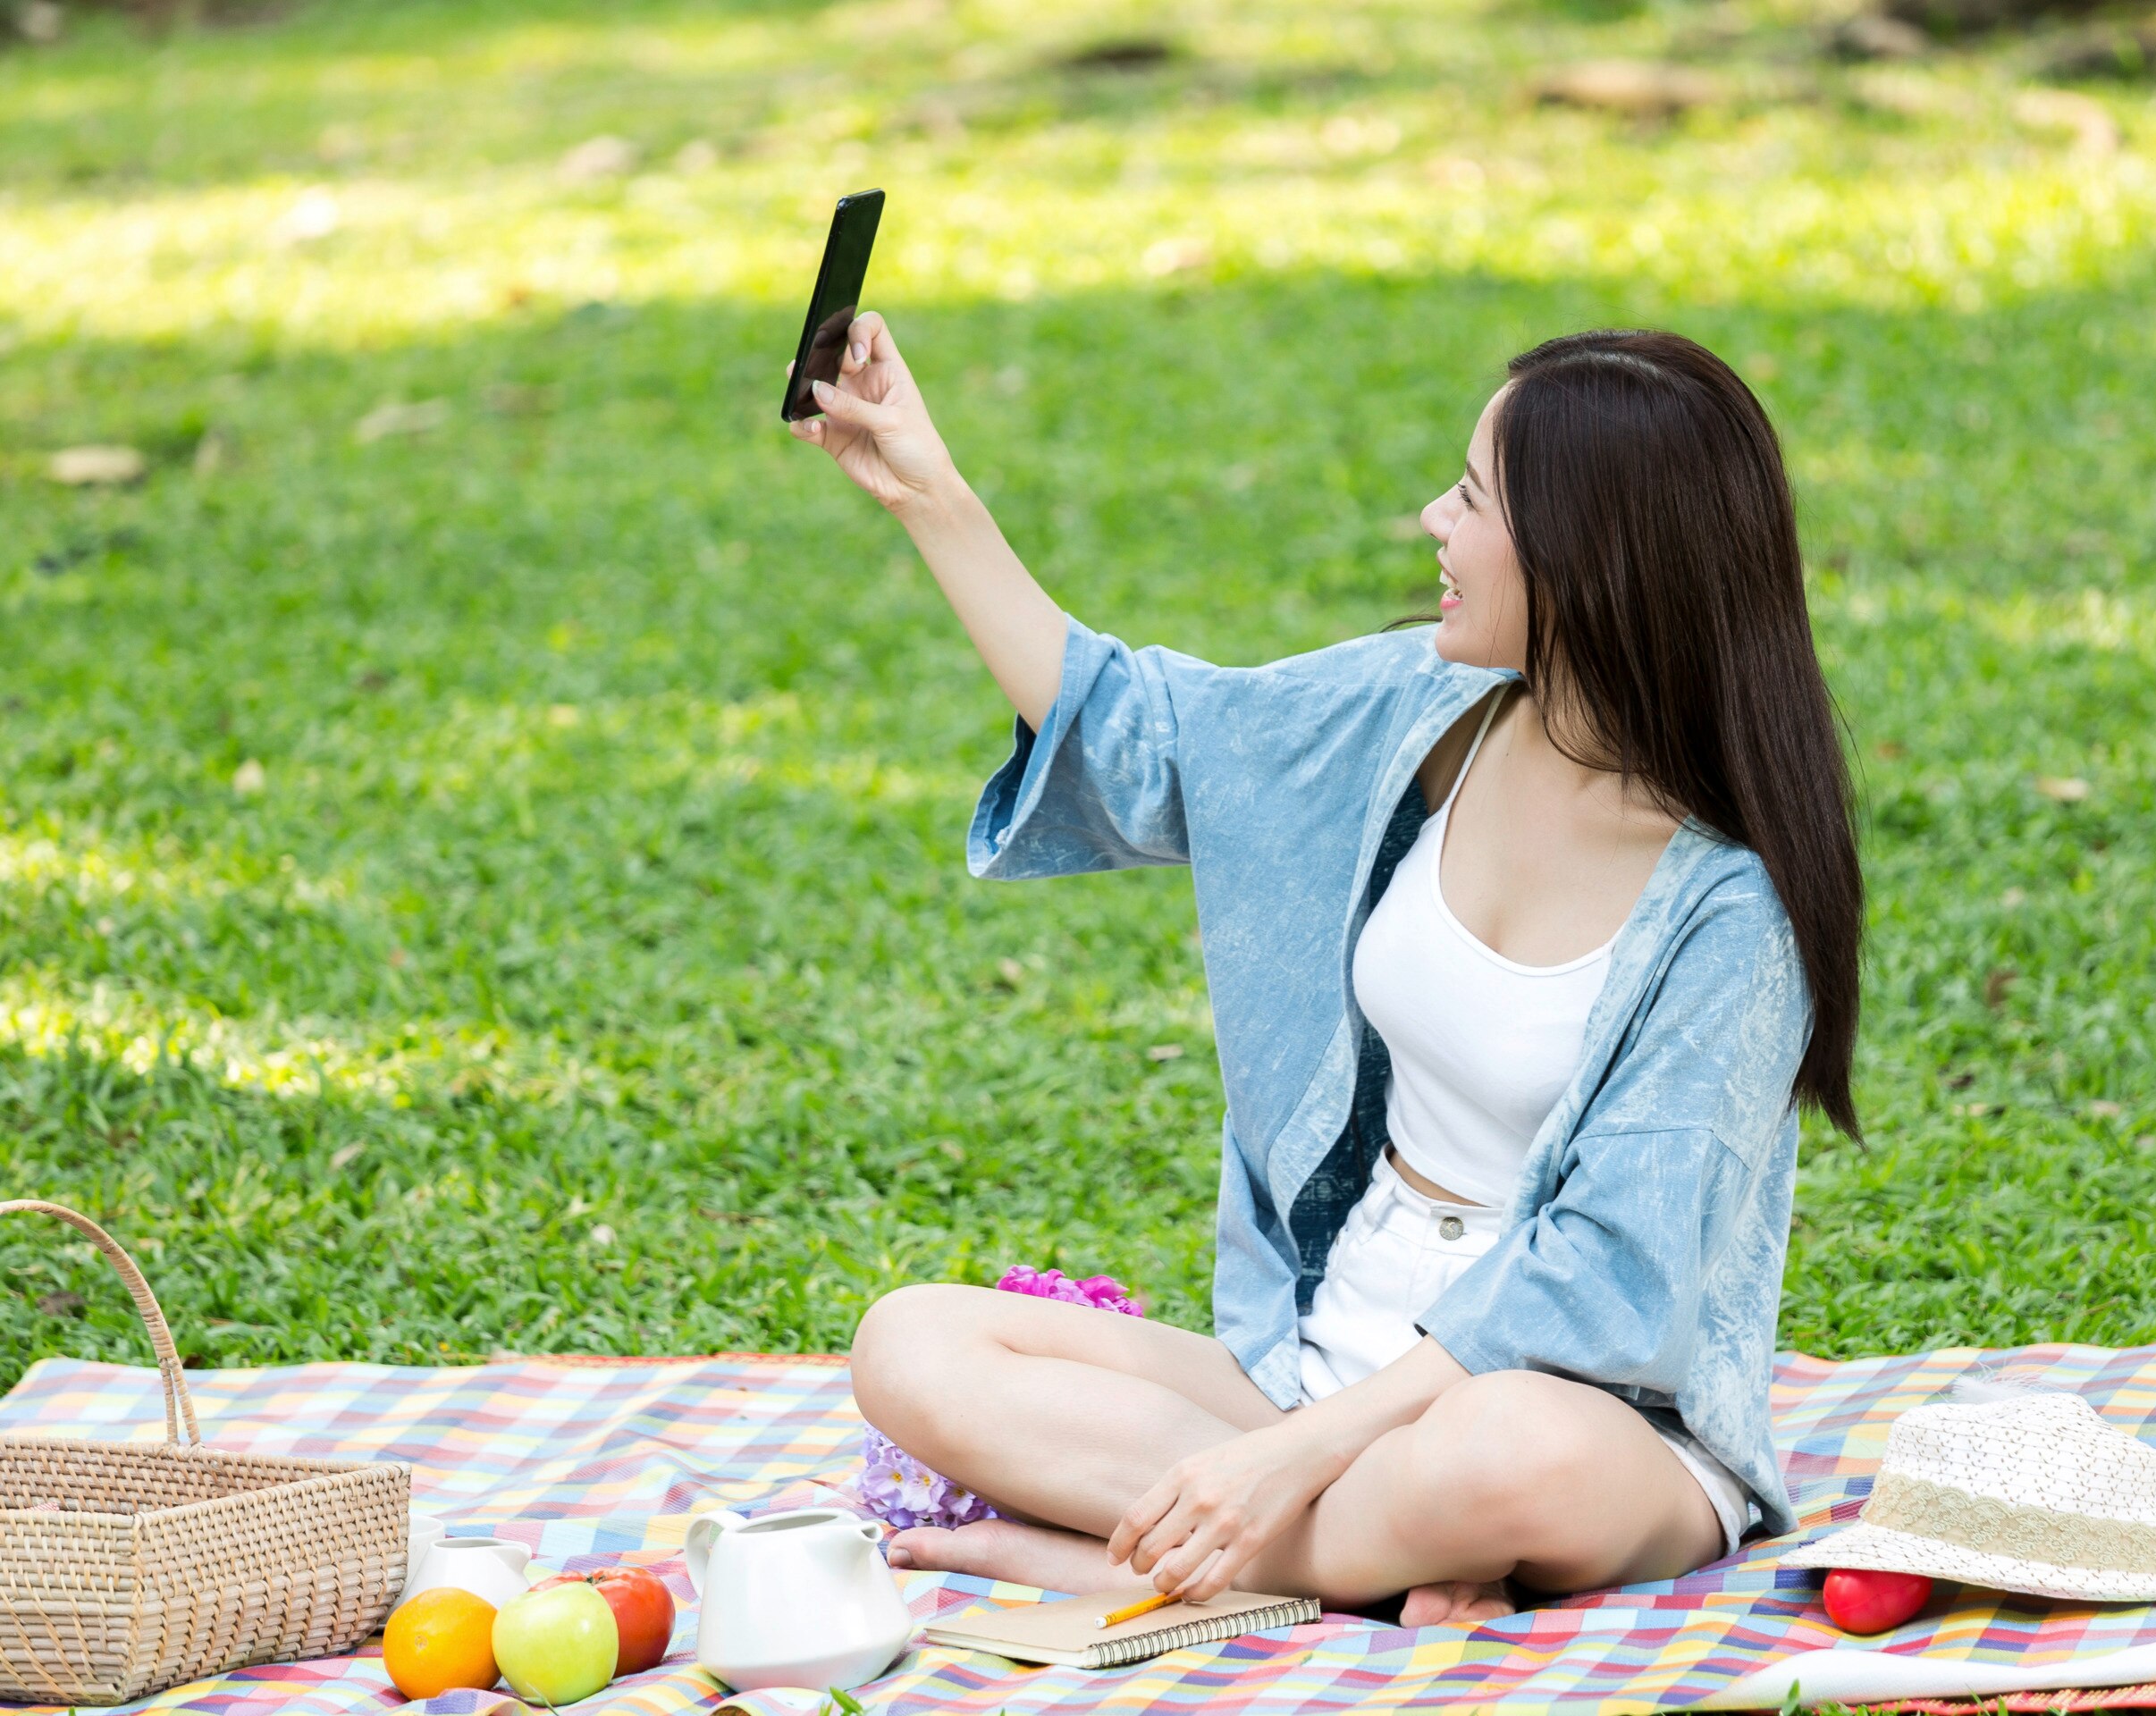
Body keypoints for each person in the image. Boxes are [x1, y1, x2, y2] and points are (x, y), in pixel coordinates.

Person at [793, 314, 1863, 1627]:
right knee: (914, 1342)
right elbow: (1150, 739)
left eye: (1470, 497)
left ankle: (1137, 1561)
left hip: (1579, 1420)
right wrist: (925, 488)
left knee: (1510, 1454)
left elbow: (1606, 1277)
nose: (1433, 519)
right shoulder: (1421, 714)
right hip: (1316, 1361)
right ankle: (1336, 1561)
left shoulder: (1731, 909)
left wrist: (1287, 1459)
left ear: (1590, 565)